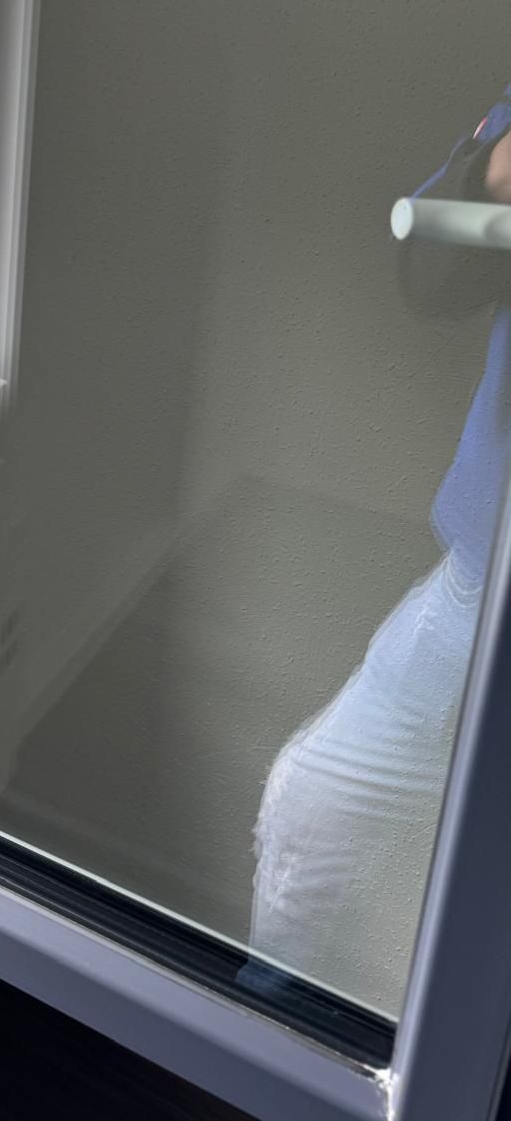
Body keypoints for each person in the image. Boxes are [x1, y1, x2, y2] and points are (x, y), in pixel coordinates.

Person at [250, 86, 511, 1014]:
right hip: (489, 572)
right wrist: (492, 175)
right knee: (313, 807)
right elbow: (429, 264)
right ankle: (270, 1036)